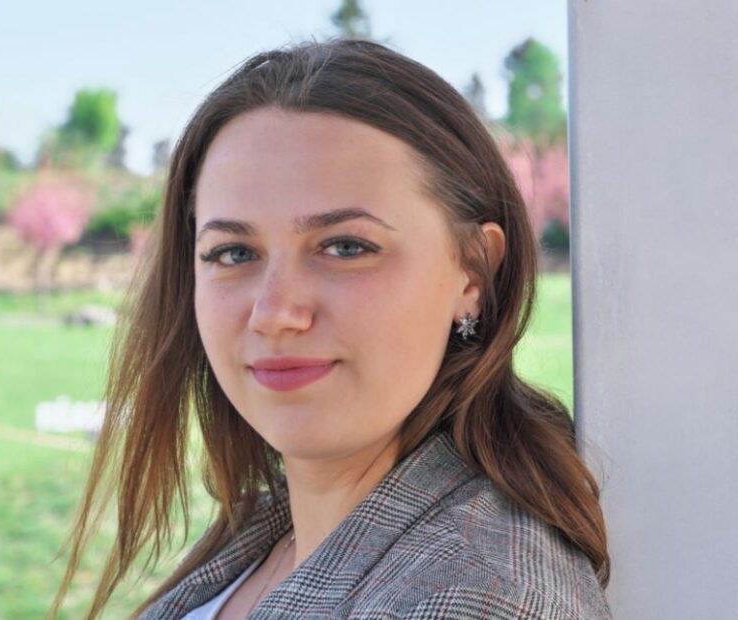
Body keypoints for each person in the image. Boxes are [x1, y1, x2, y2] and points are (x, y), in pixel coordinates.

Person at [49, 38, 613, 620]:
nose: (273, 312)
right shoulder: (268, 530)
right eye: (234, 252)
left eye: (345, 247)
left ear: (472, 272)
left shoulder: (477, 598)